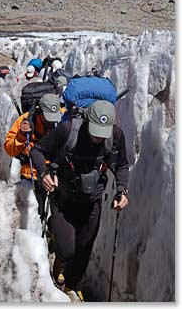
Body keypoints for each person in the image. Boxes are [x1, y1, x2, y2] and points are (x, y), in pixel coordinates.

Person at [30, 100, 129, 299]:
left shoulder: (115, 136)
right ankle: (55, 238)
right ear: (86, 121)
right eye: (94, 132)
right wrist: (44, 174)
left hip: (92, 202)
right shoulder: (68, 131)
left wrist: (122, 190)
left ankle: (70, 285)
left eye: (102, 133)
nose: (98, 138)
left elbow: (122, 165)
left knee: (84, 249)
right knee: (67, 251)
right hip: (64, 200)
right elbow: (36, 150)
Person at [4, 94, 62, 221]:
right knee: (35, 214)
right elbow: (9, 149)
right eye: (47, 118)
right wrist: (21, 135)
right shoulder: (24, 121)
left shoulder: (61, 118)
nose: (51, 122)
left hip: (54, 175)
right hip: (31, 176)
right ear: (39, 112)